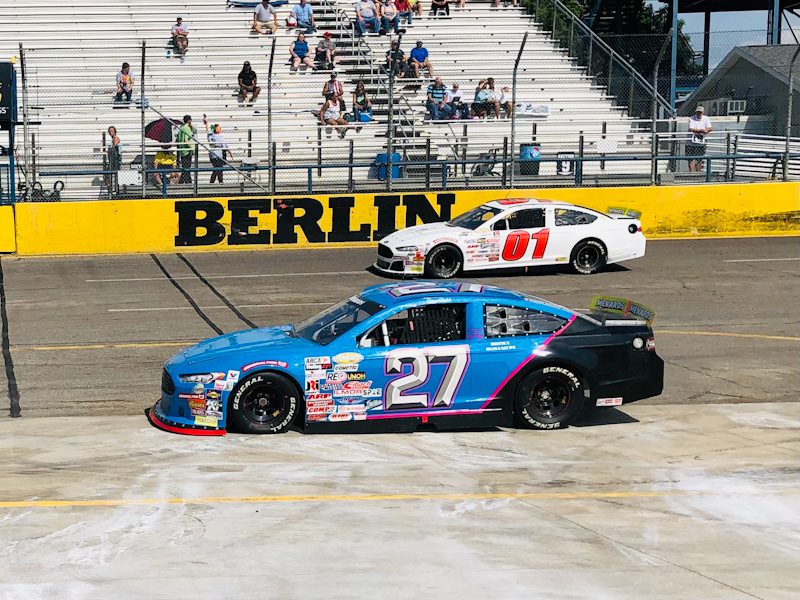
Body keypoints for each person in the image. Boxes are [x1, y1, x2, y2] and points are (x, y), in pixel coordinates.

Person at [203, 116, 231, 184]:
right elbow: (224, 146)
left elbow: (207, 130)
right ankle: (218, 182)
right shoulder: (216, 136)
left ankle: (214, 182)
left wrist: (206, 123)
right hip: (217, 155)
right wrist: (229, 152)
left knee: (217, 169)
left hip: (215, 155)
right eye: (219, 127)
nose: (220, 128)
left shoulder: (214, 135)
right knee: (218, 169)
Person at [687, 105, 712, 172]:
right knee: (690, 159)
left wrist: (700, 131)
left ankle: (698, 174)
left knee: (699, 159)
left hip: (701, 143)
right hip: (691, 143)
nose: (698, 113)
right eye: (697, 112)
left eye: (700, 112)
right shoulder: (691, 118)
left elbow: (709, 128)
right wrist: (702, 131)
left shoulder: (706, 118)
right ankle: (692, 175)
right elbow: (691, 129)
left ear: (703, 112)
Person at [176, 115, 196, 184]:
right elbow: (186, 140)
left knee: (185, 168)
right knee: (187, 168)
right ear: (189, 120)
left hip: (182, 151)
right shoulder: (186, 128)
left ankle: (186, 183)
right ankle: (187, 183)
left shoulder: (181, 128)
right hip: (187, 151)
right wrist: (192, 149)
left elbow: (177, 140)